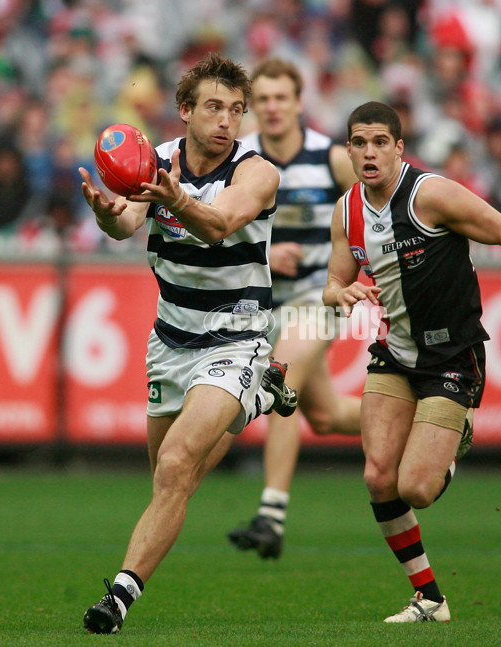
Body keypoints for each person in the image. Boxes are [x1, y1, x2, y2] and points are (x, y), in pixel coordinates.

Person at [322, 101, 501, 623]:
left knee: (415, 487)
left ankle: (453, 441)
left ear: (399, 148)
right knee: (378, 478)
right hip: (395, 353)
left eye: (379, 142)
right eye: (359, 142)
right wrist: (342, 292)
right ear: (349, 150)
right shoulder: (347, 209)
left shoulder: (430, 195)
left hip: (451, 356)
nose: (369, 152)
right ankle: (430, 599)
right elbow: (332, 282)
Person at [78, 53, 298, 634]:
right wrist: (107, 216)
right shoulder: (158, 163)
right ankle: (259, 394)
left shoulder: (257, 172)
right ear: (184, 111)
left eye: (235, 110)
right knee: (171, 479)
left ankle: (118, 599)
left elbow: (219, 223)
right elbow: (128, 222)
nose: (227, 120)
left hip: (237, 335)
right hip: (170, 342)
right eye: (214, 108)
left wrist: (173, 200)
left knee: (177, 465)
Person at [226, 58, 360, 560]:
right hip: (262, 305)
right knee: (324, 416)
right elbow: (220, 230)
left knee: (279, 382)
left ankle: (271, 515)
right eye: (263, 100)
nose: (273, 107)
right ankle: (429, 422)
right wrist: (265, 252)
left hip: (317, 298)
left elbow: (372, 215)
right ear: (252, 107)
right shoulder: (242, 160)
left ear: (299, 102)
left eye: (282, 97)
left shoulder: (331, 157)